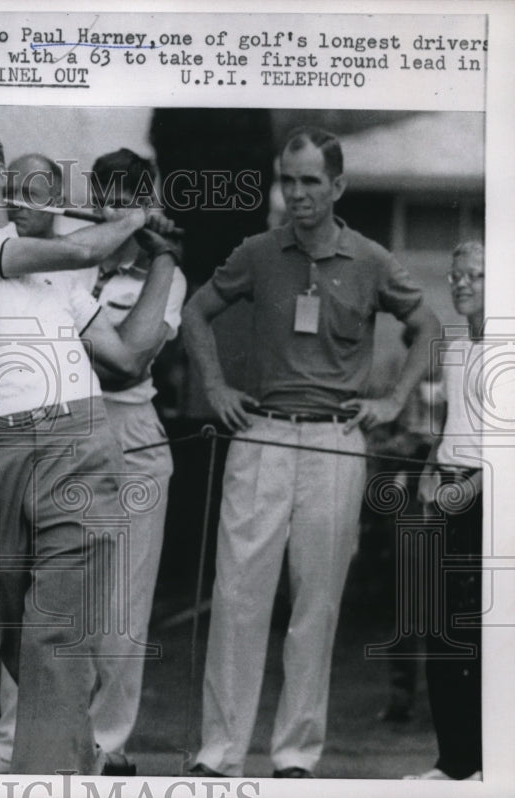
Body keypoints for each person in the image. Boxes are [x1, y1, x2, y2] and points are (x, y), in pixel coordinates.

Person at [0, 118, 180, 776]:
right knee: (16, 637)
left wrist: (165, 259)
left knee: (53, 633)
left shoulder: (53, 279)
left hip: (80, 444)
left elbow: (126, 355)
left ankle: (44, 777)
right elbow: (75, 251)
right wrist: (132, 220)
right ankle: (71, 751)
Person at [182, 126, 441, 779]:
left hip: (333, 442)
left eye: (309, 182)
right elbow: (195, 311)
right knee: (239, 597)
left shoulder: (373, 259)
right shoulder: (258, 253)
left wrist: (392, 401)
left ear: (337, 186)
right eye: (287, 180)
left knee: (316, 604)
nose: (296, 194)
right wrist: (214, 385)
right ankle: (219, 754)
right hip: (262, 434)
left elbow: (427, 326)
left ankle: (295, 756)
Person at [406, 241, 486, 781]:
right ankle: (452, 761)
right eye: (455, 275)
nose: (460, 284)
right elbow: (453, 428)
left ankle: (488, 763)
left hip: (490, 508)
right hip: (450, 497)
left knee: (483, 636)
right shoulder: (458, 350)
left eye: (473, 275)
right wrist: (431, 468)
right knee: (438, 630)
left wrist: (474, 488)